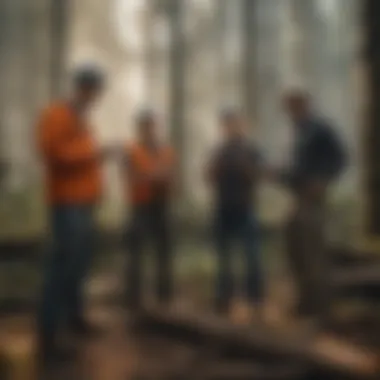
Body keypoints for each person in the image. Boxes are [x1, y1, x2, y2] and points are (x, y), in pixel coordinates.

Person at [37, 65, 110, 364]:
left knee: (80, 263)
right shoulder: (56, 114)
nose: (94, 97)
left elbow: (84, 154)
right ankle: (49, 332)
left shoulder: (83, 120)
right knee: (64, 264)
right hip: (66, 203)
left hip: (84, 201)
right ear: (82, 87)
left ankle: (75, 319)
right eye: (92, 90)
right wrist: (93, 154)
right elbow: (53, 153)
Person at [280, 90, 346, 322]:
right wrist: (277, 175)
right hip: (299, 195)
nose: (290, 112)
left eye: (293, 106)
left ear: (304, 104)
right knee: (295, 244)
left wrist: (323, 180)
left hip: (314, 198)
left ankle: (321, 306)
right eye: (288, 107)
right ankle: (306, 301)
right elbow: (296, 170)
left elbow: (340, 158)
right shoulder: (299, 131)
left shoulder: (320, 129)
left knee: (312, 249)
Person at [206, 108, 264, 319]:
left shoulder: (251, 150)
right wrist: (217, 168)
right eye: (228, 124)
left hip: (245, 208)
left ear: (242, 125)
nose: (232, 128)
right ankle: (224, 299)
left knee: (252, 256)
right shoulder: (219, 151)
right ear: (224, 128)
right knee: (224, 258)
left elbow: (259, 175)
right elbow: (209, 177)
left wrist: (244, 168)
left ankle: (255, 300)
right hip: (223, 209)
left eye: (236, 123)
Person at [124, 110, 176, 311]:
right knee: (136, 252)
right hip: (140, 205)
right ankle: (133, 299)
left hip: (162, 205)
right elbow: (133, 177)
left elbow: (171, 175)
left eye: (151, 125)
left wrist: (152, 175)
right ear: (139, 128)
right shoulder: (132, 150)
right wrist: (155, 175)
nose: (149, 129)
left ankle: (165, 297)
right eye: (145, 125)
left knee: (164, 251)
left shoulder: (166, 150)